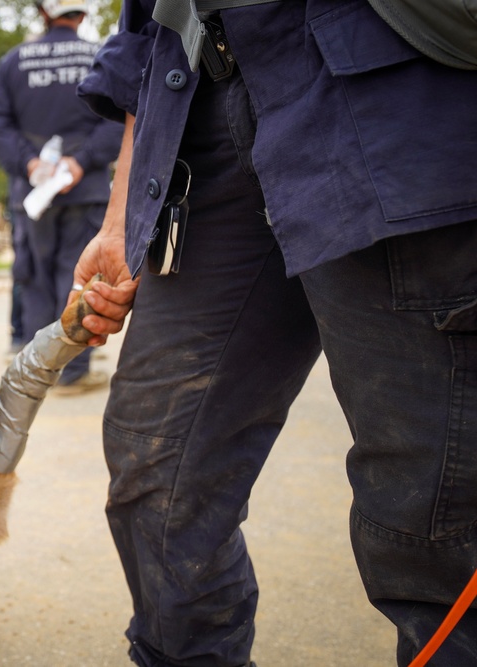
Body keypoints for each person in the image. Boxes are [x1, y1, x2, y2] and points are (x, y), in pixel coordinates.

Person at [69, 1, 477, 666]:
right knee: (158, 464)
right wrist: (121, 217)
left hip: (390, 83)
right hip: (202, 107)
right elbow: (148, 28)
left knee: (435, 513)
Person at [0, 0, 122, 391]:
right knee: (78, 276)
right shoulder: (101, 57)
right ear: (82, 14)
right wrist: (82, 162)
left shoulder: (15, 61)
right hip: (88, 190)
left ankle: (39, 371)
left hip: (32, 194)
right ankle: (73, 373)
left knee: (35, 277)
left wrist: (29, 164)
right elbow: (122, 117)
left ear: (44, 13)